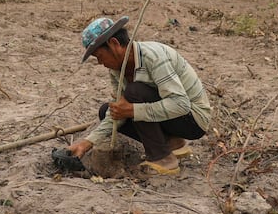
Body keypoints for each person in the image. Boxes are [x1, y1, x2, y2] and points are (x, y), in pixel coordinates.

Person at [66, 16, 211, 175]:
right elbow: (119, 110)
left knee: (134, 92)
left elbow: (181, 104)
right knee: (107, 111)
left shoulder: (153, 57)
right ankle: (172, 143)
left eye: (100, 56)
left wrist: (134, 111)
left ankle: (163, 159)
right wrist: (87, 143)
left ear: (114, 44)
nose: (100, 63)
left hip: (193, 120)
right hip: (174, 117)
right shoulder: (116, 70)